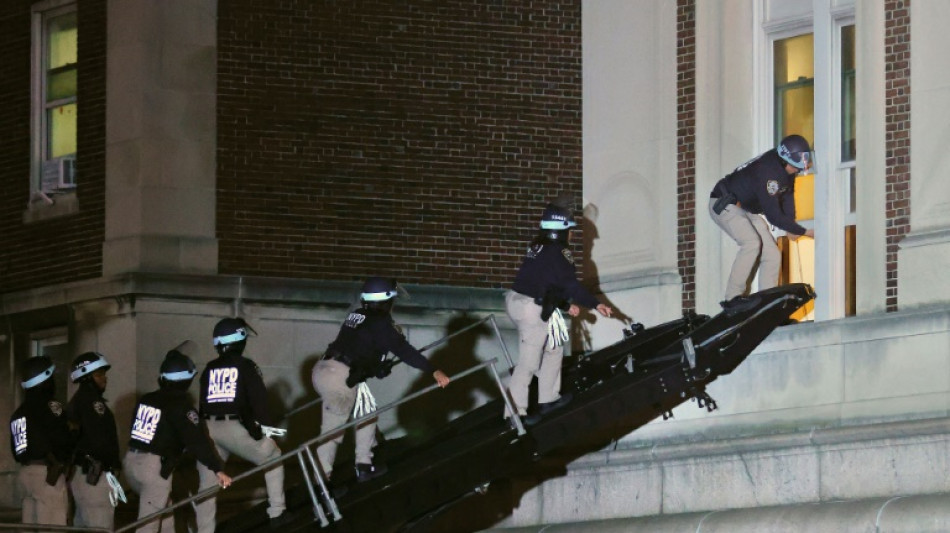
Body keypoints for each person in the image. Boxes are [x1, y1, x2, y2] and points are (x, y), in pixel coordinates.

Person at [312, 277, 450, 483]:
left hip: (325, 369)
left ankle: (364, 465)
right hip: (340, 376)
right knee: (332, 430)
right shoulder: (381, 322)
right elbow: (404, 351)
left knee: (367, 410)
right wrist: (433, 370)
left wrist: (375, 366)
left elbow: (360, 348)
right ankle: (321, 483)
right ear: (387, 301)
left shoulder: (357, 315)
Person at [506, 202, 612, 423]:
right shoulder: (559, 252)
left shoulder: (538, 248)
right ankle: (515, 414)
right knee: (529, 362)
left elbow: (546, 284)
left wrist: (564, 305)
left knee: (554, 346)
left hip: (521, 300)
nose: (572, 235)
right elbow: (569, 285)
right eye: (569, 230)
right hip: (531, 307)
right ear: (560, 231)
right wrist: (595, 304)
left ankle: (548, 399)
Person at [123, 344, 231, 533]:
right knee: (148, 524)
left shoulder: (146, 399)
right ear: (187, 380)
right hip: (154, 470)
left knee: (166, 516)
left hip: (131, 463)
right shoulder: (183, 407)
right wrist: (217, 469)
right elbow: (199, 441)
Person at [195, 318, 288, 531]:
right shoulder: (246, 366)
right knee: (273, 457)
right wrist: (262, 429)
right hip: (233, 427)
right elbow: (258, 401)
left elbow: (202, 403)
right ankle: (277, 511)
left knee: (207, 485)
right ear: (240, 340)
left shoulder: (209, 368)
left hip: (208, 427)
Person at [709, 134, 815, 308]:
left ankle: (768, 304)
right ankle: (732, 298)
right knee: (751, 242)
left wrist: (791, 225)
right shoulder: (768, 172)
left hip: (744, 209)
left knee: (772, 254)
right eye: (795, 167)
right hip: (723, 202)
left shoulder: (785, 169)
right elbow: (773, 215)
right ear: (784, 161)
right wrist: (803, 232)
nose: (797, 171)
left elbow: (788, 196)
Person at [8, 355, 73, 529]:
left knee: (29, 526)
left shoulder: (18, 413)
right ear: (45, 379)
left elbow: (16, 450)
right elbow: (63, 438)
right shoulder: (51, 405)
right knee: (53, 526)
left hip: (26, 473)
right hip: (47, 474)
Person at [66, 352, 121, 529]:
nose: (104, 379)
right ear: (86, 378)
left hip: (83, 473)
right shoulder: (92, 403)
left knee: (82, 524)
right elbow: (100, 440)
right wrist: (113, 464)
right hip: (94, 475)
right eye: (99, 374)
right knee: (100, 525)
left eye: (104, 374)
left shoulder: (78, 401)